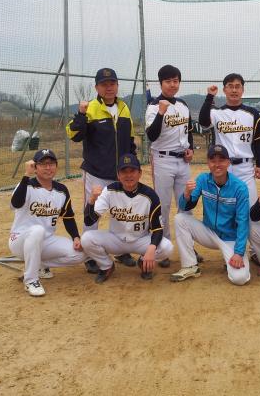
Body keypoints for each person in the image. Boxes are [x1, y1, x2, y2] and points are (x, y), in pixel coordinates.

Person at [66, 67, 138, 270]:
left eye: (112, 83)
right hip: (96, 171)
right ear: (97, 87)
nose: (109, 87)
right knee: (93, 211)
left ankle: (121, 250)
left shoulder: (124, 108)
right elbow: (74, 134)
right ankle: (90, 256)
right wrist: (81, 114)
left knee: (121, 212)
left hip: (120, 173)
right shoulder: (90, 108)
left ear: (117, 85)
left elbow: (130, 138)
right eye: (104, 84)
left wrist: (131, 162)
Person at [80, 154, 173, 283]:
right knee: (87, 239)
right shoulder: (109, 191)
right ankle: (106, 266)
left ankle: (143, 262)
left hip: (140, 240)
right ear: (118, 175)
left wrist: (151, 250)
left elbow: (157, 229)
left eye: (132, 171)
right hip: (115, 240)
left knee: (167, 247)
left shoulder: (150, 195)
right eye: (124, 171)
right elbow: (89, 220)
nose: (128, 175)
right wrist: (91, 201)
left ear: (140, 173)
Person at [145, 64, 203, 267]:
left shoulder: (183, 104)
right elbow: (151, 135)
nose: (172, 84)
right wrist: (161, 113)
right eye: (168, 81)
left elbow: (188, 130)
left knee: (185, 204)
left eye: (175, 81)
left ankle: (188, 247)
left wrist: (190, 148)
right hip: (162, 159)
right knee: (163, 205)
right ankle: (163, 247)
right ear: (161, 83)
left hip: (182, 161)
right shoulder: (153, 106)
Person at [8, 149, 87, 297]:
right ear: (35, 167)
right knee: (37, 230)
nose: (48, 167)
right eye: (43, 164)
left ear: (56, 166)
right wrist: (26, 175)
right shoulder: (26, 185)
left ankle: (39, 265)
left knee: (80, 254)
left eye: (51, 164)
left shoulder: (61, 190)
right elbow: (16, 204)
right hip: (20, 240)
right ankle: (31, 280)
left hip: (46, 241)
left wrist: (76, 237)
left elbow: (68, 217)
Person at [170, 144, 251, 286]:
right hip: (209, 233)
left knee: (240, 278)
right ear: (208, 163)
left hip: (230, 238)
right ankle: (190, 266)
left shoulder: (240, 187)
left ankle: (236, 256)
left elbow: (243, 222)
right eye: (213, 160)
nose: (217, 164)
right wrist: (186, 194)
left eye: (221, 160)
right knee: (180, 219)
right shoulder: (203, 179)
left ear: (228, 162)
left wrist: (238, 252)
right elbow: (184, 206)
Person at [198, 72, 260, 205]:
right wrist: (209, 96)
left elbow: (258, 141)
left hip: (246, 168)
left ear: (242, 90)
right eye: (230, 86)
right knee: (224, 207)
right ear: (224, 90)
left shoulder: (252, 113)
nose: (234, 90)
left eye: (237, 86)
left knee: (249, 206)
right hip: (224, 167)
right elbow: (203, 122)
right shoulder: (216, 113)